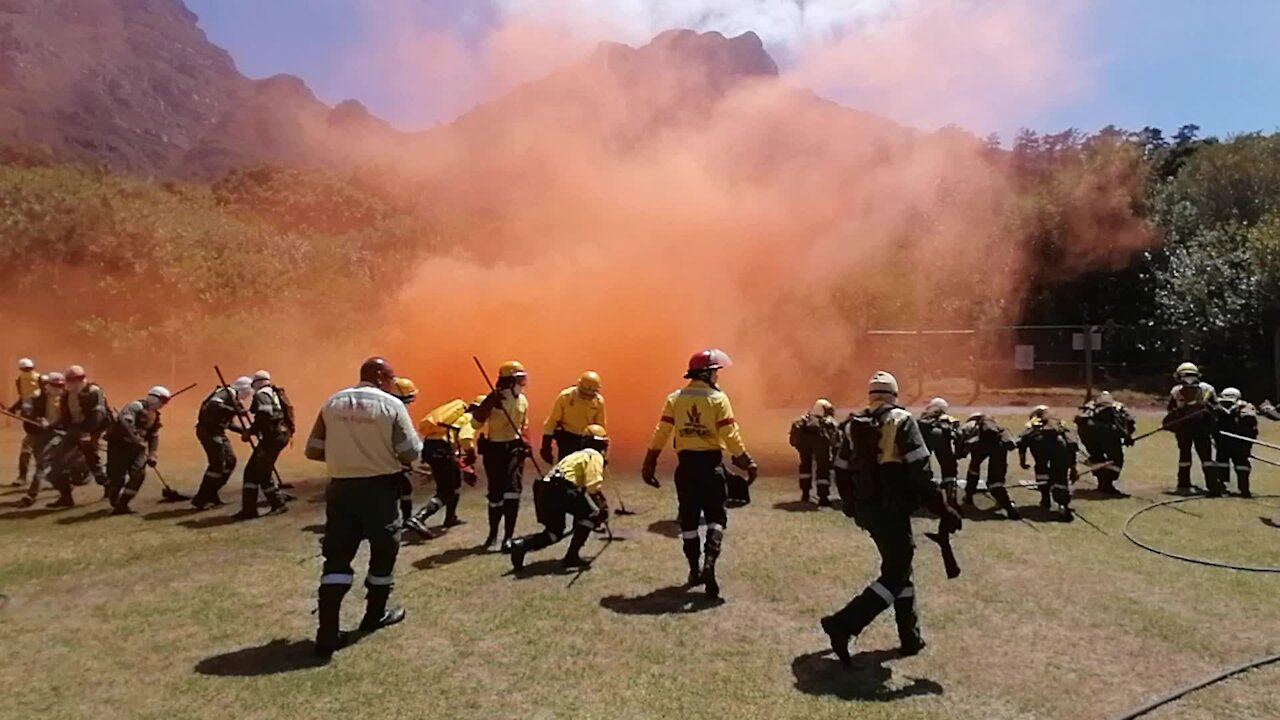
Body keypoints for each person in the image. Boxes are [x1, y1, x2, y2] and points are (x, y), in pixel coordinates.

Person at [821, 371, 962, 662]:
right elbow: (920, 470)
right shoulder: (902, 420)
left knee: (900, 565)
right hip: (893, 508)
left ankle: (910, 637)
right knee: (896, 575)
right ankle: (842, 623)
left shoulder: (852, 424)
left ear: (871, 395)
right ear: (894, 395)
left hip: (868, 508)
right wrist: (943, 509)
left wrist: (851, 505)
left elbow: (841, 469)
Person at [304, 356, 423, 660]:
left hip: (340, 489)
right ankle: (375, 614)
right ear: (381, 376)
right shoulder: (391, 405)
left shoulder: (332, 402)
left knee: (337, 557)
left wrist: (346, 459)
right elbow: (411, 452)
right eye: (391, 377)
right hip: (379, 490)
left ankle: (326, 634)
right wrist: (385, 460)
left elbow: (313, 449)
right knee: (384, 552)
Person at [642, 348, 757, 601]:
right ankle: (710, 564)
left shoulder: (675, 398)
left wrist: (650, 460)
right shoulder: (718, 399)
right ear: (706, 373)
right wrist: (746, 461)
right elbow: (730, 434)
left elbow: (662, 431)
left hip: (686, 469)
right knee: (717, 519)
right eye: (716, 372)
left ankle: (694, 570)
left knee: (689, 522)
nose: (718, 376)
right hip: (711, 467)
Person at [510, 424, 610, 572]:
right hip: (563, 487)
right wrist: (602, 507)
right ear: (601, 443)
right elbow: (593, 486)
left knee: (554, 532)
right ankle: (571, 557)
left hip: (546, 488)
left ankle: (522, 545)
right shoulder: (594, 456)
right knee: (589, 517)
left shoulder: (575, 455)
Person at [471, 361, 531, 552]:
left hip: (514, 448)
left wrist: (526, 442)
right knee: (495, 493)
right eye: (519, 378)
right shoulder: (492, 399)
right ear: (509, 380)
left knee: (513, 490)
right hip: (494, 449)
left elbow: (524, 425)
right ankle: (493, 533)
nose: (523, 382)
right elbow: (475, 424)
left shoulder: (523, 400)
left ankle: (508, 536)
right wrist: (488, 404)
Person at [33, 365, 109, 507]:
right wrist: (52, 425)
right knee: (57, 463)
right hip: (74, 429)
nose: (70, 383)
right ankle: (65, 497)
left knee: (94, 463)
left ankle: (109, 489)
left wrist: (88, 433)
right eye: (69, 380)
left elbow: (99, 415)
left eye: (73, 379)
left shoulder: (94, 391)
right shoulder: (68, 393)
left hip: (92, 430)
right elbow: (65, 416)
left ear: (81, 379)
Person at [411, 397, 479, 533]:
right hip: (442, 451)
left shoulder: (455, 418)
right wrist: (472, 454)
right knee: (446, 492)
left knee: (456, 481)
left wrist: (462, 465)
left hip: (433, 448)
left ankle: (450, 517)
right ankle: (419, 517)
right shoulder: (469, 419)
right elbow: (465, 439)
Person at [233, 370, 291, 520]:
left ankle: (278, 504)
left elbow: (265, 414)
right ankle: (249, 509)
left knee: (260, 471)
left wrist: (250, 431)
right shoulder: (273, 392)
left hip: (272, 438)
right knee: (253, 471)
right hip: (279, 435)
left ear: (255, 383)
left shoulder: (261, 395)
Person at [105, 386, 171, 514]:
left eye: (165, 401)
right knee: (117, 477)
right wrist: (136, 438)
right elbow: (126, 425)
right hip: (119, 447)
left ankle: (123, 504)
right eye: (162, 400)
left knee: (139, 475)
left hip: (138, 450)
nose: (163, 404)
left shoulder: (155, 416)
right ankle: (114, 499)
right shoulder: (134, 407)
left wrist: (152, 454)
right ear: (153, 397)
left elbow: (153, 435)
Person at [191, 376, 253, 509]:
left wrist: (246, 431)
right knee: (217, 464)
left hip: (218, 432)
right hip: (208, 431)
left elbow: (229, 424)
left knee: (230, 461)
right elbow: (214, 405)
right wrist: (235, 411)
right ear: (244, 389)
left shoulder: (234, 400)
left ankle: (212, 492)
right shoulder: (227, 392)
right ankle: (201, 498)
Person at [1017, 406, 1078, 521]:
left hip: (1038, 444)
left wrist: (1022, 461)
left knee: (1041, 470)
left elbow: (1022, 443)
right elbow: (1071, 444)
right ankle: (1062, 504)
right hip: (1060, 445)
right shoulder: (1059, 423)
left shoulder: (1032, 424)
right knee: (1060, 476)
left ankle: (1045, 499)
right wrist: (1073, 467)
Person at [957, 412, 1021, 519]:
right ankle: (1009, 507)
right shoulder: (995, 426)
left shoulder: (970, 425)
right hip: (999, 446)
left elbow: (962, 443)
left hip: (980, 446)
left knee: (974, 469)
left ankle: (969, 496)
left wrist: (960, 453)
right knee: (996, 482)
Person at [1165, 362, 1217, 494]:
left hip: (1183, 428)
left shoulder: (1176, 390)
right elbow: (1216, 409)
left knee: (1184, 455)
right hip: (1203, 428)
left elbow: (1171, 409)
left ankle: (1183, 483)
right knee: (1206, 456)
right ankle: (1212, 485)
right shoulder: (1208, 389)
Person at [16, 372, 65, 507]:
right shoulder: (37, 398)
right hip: (42, 435)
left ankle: (32, 494)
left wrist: (57, 426)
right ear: (46, 385)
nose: (58, 388)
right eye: (55, 385)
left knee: (45, 464)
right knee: (45, 465)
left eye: (60, 385)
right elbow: (29, 413)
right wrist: (38, 419)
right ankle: (65, 492)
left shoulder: (67, 397)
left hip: (61, 435)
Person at [388, 377, 429, 535]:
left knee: (404, 487)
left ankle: (406, 518)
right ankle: (402, 519)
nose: (409, 403)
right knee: (395, 489)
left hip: (390, 457)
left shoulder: (390, 408)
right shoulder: (393, 411)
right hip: (384, 459)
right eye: (407, 399)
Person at [1074, 391, 1135, 495]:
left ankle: (1101, 481)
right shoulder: (1118, 406)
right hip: (1109, 432)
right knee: (1116, 459)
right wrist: (1127, 437)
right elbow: (1129, 421)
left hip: (1087, 432)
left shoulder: (1089, 407)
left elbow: (1079, 421)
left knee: (1096, 457)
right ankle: (1108, 483)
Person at [540, 371, 607, 463]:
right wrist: (546, 445)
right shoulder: (565, 397)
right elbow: (552, 422)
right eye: (584, 394)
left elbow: (600, 427)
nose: (586, 398)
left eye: (590, 395)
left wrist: (603, 452)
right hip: (567, 439)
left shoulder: (598, 402)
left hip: (587, 441)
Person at [789, 398, 839, 506]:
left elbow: (793, 440)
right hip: (822, 447)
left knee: (805, 468)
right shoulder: (827, 422)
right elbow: (835, 439)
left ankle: (805, 493)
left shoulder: (802, 421)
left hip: (804, 446)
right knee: (823, 469)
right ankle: (823, 497)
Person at [1212, 388, 1258, 498]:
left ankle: (1241, 488)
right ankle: (1229, 487)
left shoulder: (1244, 407)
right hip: (1230, 441)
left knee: (1237, 464)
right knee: (1229, 463)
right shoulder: (1246, 406)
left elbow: (1250, 425)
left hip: (1235, 441)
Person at [917, 397, 961, 506]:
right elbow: (957, 433)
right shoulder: (945, 417)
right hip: (940, 436)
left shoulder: (924, 416)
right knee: (948, 468)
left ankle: (922, 497)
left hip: (923, 437)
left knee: (923, 467)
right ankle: (951, 497)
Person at [9, 358, 40, 486]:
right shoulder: (21, 381)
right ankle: (23, 477)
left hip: (42, 422)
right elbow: (23, 399)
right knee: (28, 450)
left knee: (31, 450)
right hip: (30, 421)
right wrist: (13, 408)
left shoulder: (41, 380)